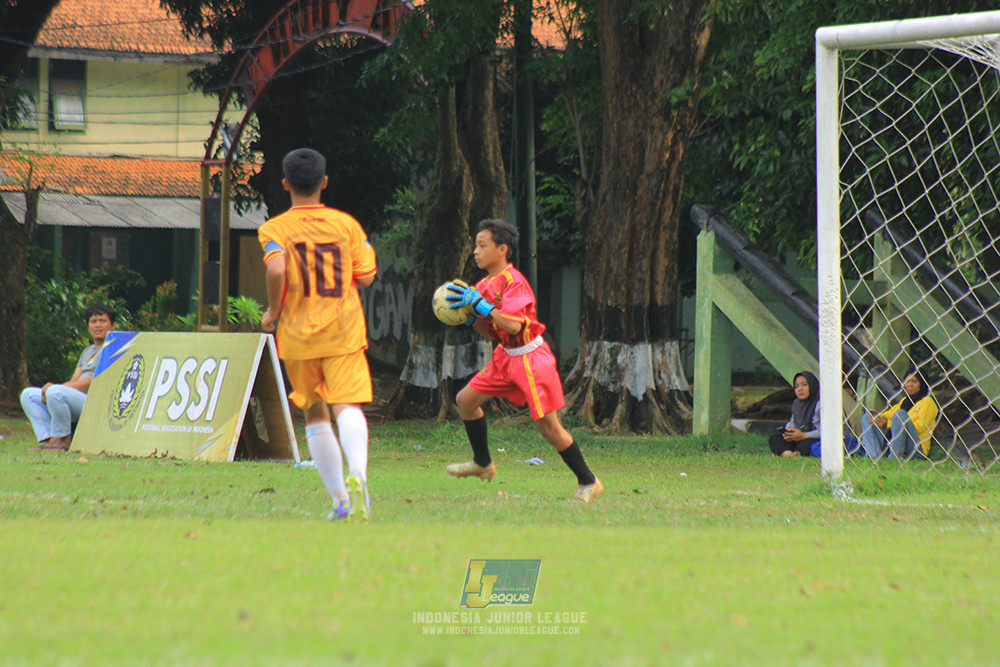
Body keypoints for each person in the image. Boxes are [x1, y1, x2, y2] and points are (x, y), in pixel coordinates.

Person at [443, 218, 602, 503]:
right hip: (505, 356)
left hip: (530, 359)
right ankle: (482, 463)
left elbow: (514, 325)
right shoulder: (483, 285)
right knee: (465, 401)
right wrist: (467, 319)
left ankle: (589, 481)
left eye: (482, 245)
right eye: (475, 246)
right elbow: (493, 330)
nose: (475, 252)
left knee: (549, 427)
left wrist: (480, 305)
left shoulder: (514, 282)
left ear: (502, 249)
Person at [258, 148, 377, 522]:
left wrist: (273, 311)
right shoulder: (346, 225)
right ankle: (358, 472)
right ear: (324, 182)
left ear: (285, 184)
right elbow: (367, 277)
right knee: (347, 405)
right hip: (343, 330)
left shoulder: (275, 229)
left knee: (314, 412)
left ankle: (340, 500)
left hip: (297, 334)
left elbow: (277, 269)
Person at [21, 304, 116, 452]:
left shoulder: (113, 348)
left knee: (55, 392)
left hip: (96, 403)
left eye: (102, 321)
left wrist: (56, 389)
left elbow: (95, 380)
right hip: (77, 398)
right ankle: (49, 439)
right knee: (28, 395)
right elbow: (74, 380)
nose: (97, 325)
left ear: (113, 325)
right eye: (93, 321)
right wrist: (53, 390)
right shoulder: (87, 351)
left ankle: (64, 440)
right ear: (88, 327)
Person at [859, 367, 938, 460]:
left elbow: (919, 427)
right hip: (898, 440)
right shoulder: (904, 401)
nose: (910, 385)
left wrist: (888, 424)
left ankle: (894, 458)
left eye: (914, 381)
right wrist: (878, 417)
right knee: (867, 417)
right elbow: (889, 414)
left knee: (900, 414)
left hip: (916, 448)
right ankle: (876, 457)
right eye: (907, 381)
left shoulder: (928, 402)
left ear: (922, 383)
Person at [768, 371, 821, 457]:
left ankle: (788, 453)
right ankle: (788, 453)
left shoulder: (820, 405)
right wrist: (788, 434)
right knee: (775, 437)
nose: (800, 389)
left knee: (809, 445)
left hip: (813, 438)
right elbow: (792, 423)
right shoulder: (797, 404)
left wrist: (803, 435)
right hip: (798, 438)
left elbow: (825, 432)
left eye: (804, 385)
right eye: (796, 386)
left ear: (812, 386)